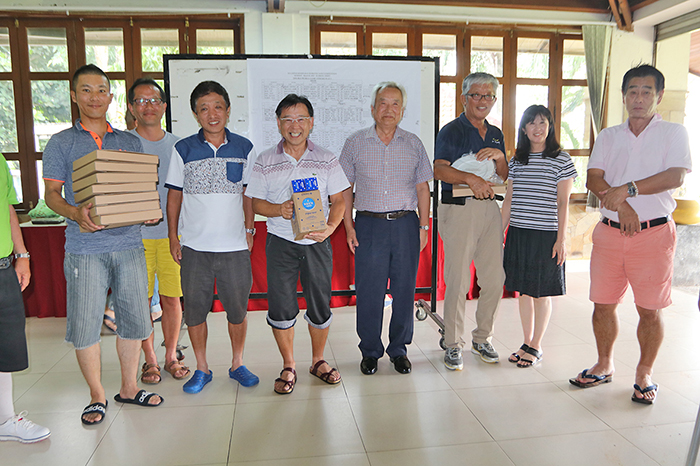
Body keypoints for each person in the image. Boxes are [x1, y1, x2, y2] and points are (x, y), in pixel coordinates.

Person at [43, 64, 163, 426]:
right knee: (85, 324)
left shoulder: (128, 141)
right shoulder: (61, 142)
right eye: (86, 90)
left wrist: (147, 212)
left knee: (134, 321)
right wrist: (75, 213)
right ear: (74, 95)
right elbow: (50, 195)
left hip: (129, 244)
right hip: (84, 249)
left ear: (111, 97)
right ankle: (97, 396)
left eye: (101, 90)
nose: (95, 97)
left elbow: (138, 191)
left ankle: (129, 388)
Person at [570, 64, 691, 404]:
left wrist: (628, 190)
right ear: (624, 96)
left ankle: (643, 373)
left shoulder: (673, 133)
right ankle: (604, 364)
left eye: (646, 92)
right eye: (633, 92)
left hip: (653, 236)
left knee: (650, 310)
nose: (639, 98)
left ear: (659, 96)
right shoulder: (608, 135)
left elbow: (675, 176)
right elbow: (594, 178)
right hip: (609, 232)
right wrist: (620, 204)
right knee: (602, 305)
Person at [246, 94, 349, 394]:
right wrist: (280, 209)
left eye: (301, 119)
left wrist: (330, 228)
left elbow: (340, 200)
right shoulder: (265, 160)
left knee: (319, 302)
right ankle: (288, 364)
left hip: (317, 242)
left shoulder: (327, 158)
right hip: (281, 242)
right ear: (278, 123)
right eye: (288, 119)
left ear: (311, 123)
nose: (295, 126)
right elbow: (254, 203)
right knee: (281, 305)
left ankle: (318, 360)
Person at [165, 80, 259, 394]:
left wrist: (249, 229)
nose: (212, 113)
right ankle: (202, 368)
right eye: (204, 108)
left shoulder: (245, 147)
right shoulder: (184, 149)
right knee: (195, 312)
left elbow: (249, 195)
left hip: (234, 247)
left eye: (218, 106)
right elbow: (174, 197)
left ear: (228, 110)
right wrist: (173, 237)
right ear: (195, 114)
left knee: (237, 310)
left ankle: (237, 363)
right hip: (195, 247)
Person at [339, 81, 432, 376]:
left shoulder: (414, 143)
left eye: (395, 104)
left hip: (405, 224)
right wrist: (348, 226)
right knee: (369, 290)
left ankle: (399, 349)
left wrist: (424, 225)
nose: (388, 109)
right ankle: (370, 350)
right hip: (368, 225)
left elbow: (422, 188)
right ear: (372, 109)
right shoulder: (356, 142)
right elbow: (344, 189)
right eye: (383, 103)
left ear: (402, 111)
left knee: (405, 288)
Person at [433, 72, 508, 370]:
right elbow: (439, 170)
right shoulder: (451, 131)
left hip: (490, 208)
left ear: (494, 99)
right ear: (464, 98)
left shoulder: (496, 132)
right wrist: (469, 178)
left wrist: (501, 156)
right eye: (476, 95)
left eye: (488, 96)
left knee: (494, 279)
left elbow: (503, 174)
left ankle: (482, 338)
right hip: (459, 209)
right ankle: (452, 343)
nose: (482, 101)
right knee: (459, 280)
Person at [501, 105, 576, 368]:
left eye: (543, 123)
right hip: (519, 233)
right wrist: (500, 233)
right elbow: (509, 199)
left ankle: (537, 345)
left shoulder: (561, 159)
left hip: (546, 235)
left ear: (550, 127)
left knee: (543, 292)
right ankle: (526, 341)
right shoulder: (517, 160)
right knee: (524, 291)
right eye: (532, 123)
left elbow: (563, 204)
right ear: (523, 129)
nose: (538, 128)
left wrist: (561, 239)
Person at [127, 78, 189, 384]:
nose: (148, 106)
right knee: (140, 301)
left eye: (154, 101)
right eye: (141, 101)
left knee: (172, 298)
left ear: (164, 107)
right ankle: (149, 360)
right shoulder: (123, 144)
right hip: (132, 238)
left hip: (171, 237)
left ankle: (170, 356)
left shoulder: (179, 146)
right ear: (131, 108)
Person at [0, 153, 51, 443]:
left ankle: (5, 419)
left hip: (4, 265)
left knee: (5, 349)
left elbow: (7, 208)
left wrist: (22, 255)